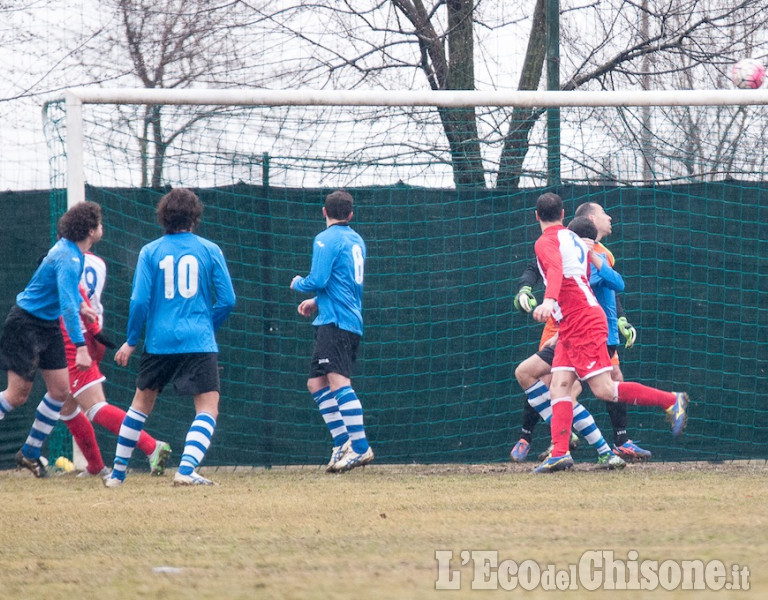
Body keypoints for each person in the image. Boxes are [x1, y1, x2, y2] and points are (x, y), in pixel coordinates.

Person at [530, 192, 688, 473]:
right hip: (573, 321)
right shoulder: (570, 237)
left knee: (605, 389)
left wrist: (549, 300)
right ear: (564, 215)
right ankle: (560, 452)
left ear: (536, 216)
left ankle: (671, 401)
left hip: (582, 321)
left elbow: (555, 269)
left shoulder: (548, 241)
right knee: (560, 385)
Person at [103, 188, 236, 487]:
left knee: (140, 404)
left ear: (163, 216)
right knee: (207, 407)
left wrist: (132, 339)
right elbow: (227, 300)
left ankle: (118, 475)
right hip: (198, 340)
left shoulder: (150, 251)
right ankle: (186, 470)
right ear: (194, 217)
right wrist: (205, 325)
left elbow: (139, 301)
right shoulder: (210, 249)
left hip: (159, 340)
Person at [510, 203, 651, 462]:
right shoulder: (563, 242)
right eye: (603, 213)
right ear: (588, 219)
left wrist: (621, 319)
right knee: (554, 385)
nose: (609, 217)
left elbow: (611, 287)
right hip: (567, 325)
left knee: (584, 386)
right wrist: (526, 289)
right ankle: (540, 438)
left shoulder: (601, 253)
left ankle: (609, 444)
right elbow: (540, 268)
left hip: (587, 326)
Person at [0, 201, 103, 477]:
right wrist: (81, 347)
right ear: (91, 230)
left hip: (47, 326)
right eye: (100, 224)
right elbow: (66, 305)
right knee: (17, 395)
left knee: (60, 390)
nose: (101, 228)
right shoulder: (68, 257)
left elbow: (61, 291)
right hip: (26, 324)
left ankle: (30, 453)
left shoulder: (71, 252)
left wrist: (82, 307)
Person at [56, 252, 172, 477]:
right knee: (66, 405)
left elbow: (72, 301)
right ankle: (96, 466)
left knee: (95, 406)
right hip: (94, 334)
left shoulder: (65, 260)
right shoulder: (99, 262)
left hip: (77, 337)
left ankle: (151, 446)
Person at [290, 190, 373, 473]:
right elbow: (342, 283)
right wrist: (316, 302)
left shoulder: (326, 239)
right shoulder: (356, 239)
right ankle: (342, 442)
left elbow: (319, 278)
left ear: (323, 212)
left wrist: (298, 283)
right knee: (316, 383)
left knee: (338, 383)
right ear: (350, 215)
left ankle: (360, 448)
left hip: (337, 323)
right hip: (340, 318)